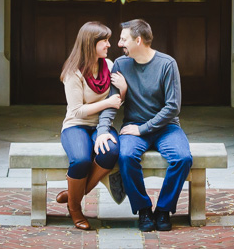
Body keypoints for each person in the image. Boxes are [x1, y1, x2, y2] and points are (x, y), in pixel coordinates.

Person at [94, 18, 191, 233]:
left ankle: (164, 209)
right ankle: (144, 209)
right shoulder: (121, 64)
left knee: (183, 158)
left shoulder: (167, 64)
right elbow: (113, 102)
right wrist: (102, 130)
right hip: (133, 127)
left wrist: (143, 129)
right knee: (126, 156)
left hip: (166, 127)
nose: (119, 44)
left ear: (138, 40)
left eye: (123, 39)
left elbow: (172, 107)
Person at [58, 21, 122, 230]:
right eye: (104, 41)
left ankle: (74, 195)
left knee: (110, 152)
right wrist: (106, 103)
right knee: (81, 159)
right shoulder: (73, 72)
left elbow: (116, 100)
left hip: (101, 126)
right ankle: (75, 209)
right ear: (89, 44)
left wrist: (123, 90)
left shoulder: (109, 65)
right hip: (76, 125)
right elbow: (76, 111)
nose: (108, 45)